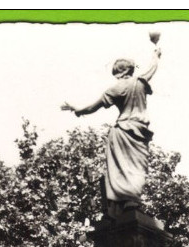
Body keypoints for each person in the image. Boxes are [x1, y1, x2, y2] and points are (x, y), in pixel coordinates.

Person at [61, 34, 162, 209]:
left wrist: (76, 110)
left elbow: (94, 107)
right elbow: (152, 68)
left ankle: (124, 202)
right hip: (140, 130)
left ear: (118, 72)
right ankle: (129, 201)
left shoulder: (115, 89)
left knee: (122, 167)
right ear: (130, 70)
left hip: (123, 132)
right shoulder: (140, 82)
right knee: (138, 167)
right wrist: (156, 53)